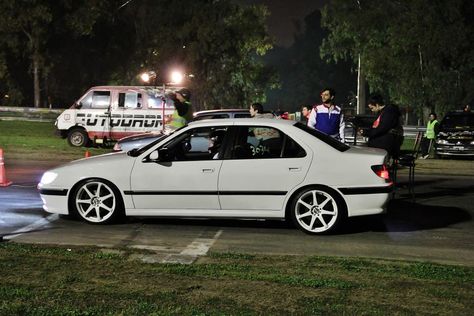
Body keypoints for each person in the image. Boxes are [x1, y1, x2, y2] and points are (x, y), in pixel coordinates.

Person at [364, 93, 403, 159]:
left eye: (372, 108)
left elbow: (382, 128)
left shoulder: (389, 111)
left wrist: (367, 133)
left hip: (385, 144)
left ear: (377, 104)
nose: (371, 110)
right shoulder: (382, 112)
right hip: (382, 143)